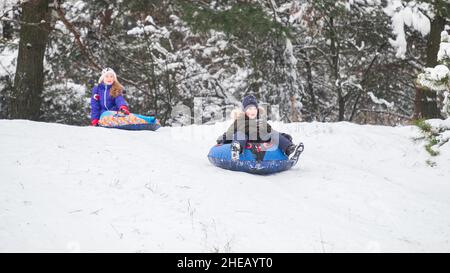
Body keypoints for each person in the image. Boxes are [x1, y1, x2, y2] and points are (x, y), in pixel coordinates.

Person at [217, 95, 301, 161]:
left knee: (272, 134)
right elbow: (229, 133)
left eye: (254, 108)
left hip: (261, 141)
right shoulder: (239, 120)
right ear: (244, 111)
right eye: (249, 109)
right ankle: (236, 149)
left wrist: (283, 136)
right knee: (239, 134)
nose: (252, 111)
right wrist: (222, 139)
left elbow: (271, 131)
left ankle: (290, 149)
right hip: (246, 141)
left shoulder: (261, 121)